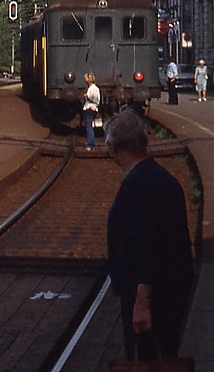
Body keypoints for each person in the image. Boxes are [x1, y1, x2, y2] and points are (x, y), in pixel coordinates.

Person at [106, 111, 193, 362]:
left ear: (114, 147)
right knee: (165, 354)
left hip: (152, 298)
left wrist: (142, 302)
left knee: (148, 360)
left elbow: (148, 248)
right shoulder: (164, 178)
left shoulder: (136, 186)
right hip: (171, 292)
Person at [81, 73, 100, 149]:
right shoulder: (92, 88)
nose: (84, 79)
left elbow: (96, 100)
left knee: (89, 126)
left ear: (89, 79)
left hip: (90, 108)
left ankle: (91, 144)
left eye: (86, 78)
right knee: (89, 126)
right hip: (91, 108)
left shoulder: (93, 88)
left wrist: (87, 96)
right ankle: (91, 142)